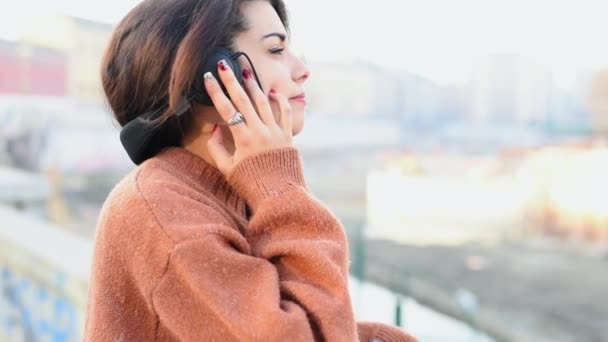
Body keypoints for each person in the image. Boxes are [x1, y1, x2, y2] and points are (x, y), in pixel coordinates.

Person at [84, 0, 417, 341]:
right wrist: (280, 185)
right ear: (211, 76)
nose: (302, 69)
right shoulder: (165, 213)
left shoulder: (215, 192)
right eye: (276, 49)